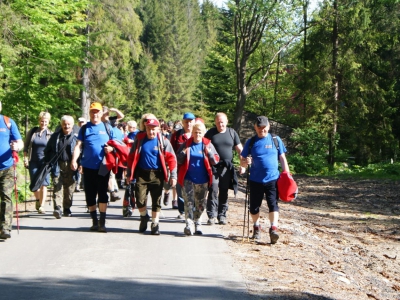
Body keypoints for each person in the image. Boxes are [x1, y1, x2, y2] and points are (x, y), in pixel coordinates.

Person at [240, 116, 290, 244]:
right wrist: (246, 162)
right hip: (255, 180)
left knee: (273, 204)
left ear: (268, 127)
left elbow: (282, 158)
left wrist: (287, 174)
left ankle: (273, 229)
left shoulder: (275, 140)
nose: (262, 129)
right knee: (253, 207)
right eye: (259, 127)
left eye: (264, 127)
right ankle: (257, 227)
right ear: (255, 127)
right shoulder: (251, 142)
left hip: (273, 179)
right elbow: (242, 161)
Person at [126, 118, 177, 235]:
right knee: (139, 199)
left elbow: (172, 158)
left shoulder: (163, 141)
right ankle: (144, 216)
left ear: (158, 129)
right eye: (149, 129)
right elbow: (131, 157)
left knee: (156, 200)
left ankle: (155, 223)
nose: (151, 132)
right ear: (145, 128)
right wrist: (129, 174)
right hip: (141, 174)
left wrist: (173, 176)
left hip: (157, 174)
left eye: (153, 129)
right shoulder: (139, 140)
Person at [71, 102, 115, 232]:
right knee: (90, 195)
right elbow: (78, 145)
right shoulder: (85, 128)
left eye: (97, 112)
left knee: (102, 194)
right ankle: (94, 221)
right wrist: (74, 159)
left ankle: (102, 222)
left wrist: (111, 149)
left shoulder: (107, 127)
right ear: (89, 113)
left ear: (101, 113)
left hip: (103, 166)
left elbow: (117, 145)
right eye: (92, 112)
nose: (95, 114)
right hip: (88, 167)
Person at [176, 122, 219, 235]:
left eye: (200, 132)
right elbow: (178, 160)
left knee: (201, 204)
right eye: (195, 132)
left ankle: (198, 222)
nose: (197, 134)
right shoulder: (187, 144)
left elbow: (215, 160)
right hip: (188, 179)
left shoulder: (207, 144)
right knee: (188, 203)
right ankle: (189, 225)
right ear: (192, 133)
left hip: (203, 179)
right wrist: (184, 152)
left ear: (203, 133)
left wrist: (209, 153)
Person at [205, 112, 243, 225]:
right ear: (215, 122)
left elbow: (240, 150)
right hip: (213, 167)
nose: (220, 124)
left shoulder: (232, 133)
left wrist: (243, 164)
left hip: (227, 168)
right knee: (213, 189)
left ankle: (222, 215)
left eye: (222, 122)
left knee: (224, 191)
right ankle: (211, 215)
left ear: (226, 122)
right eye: (218, 122)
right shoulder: (211, 133)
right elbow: (203, 146)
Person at [44, 115, 78, 218]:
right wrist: (49, 161)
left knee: (69, 188)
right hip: (57, 164)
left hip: (71, 165)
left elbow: (80, 151)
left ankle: (67, 208)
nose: (66, 126)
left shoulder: (76, 138)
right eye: (64, 124)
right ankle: (57, 208)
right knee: (57, 185)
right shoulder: (55, 136)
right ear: (61, 125)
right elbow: (47, 150)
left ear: (72, 125)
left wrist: (79, 164)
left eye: (68, 124)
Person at [0, 102, 24, 240]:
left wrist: (17, 147)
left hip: (6, 166)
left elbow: (19, 142)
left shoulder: (7, 122)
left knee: (6, 195)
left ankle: (5, 228)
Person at [23, 112, 53, 214]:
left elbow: (53, 150)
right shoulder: (32, 132)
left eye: (45, 121)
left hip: (45, 163)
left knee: (44, 184)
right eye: (42, 121)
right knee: (34, 184)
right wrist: (25, 158)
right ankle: (37, 200)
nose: (43, 123)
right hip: (33, 161)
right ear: (39, 121)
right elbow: (26, 146)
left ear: (48, 122)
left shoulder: (50, 134)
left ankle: (42, 206)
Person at [170, 112, 195, 216]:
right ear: (183, 122)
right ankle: (182, 211)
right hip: (180, 167)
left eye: (190, 122)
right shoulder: (177, 135)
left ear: (194, 122)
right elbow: (171, 151)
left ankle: (192, 210)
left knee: (193, 190)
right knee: (180, 190)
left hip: (194, 168)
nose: (188, 124)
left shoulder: (198, 133)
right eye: (186, 122)